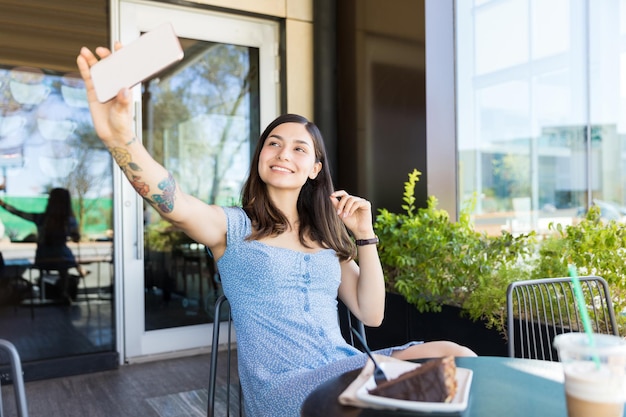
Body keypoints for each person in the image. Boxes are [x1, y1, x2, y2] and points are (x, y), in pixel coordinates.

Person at [77, 44, 476, 416]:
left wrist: (364, 236)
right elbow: (172, 202)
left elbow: (371, 314)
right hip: (284, 385)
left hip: (344, 363)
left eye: (300, 148)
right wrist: (120, 137)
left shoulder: (325, 237)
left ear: (315, 169)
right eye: (274, 143)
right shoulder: (231, 226)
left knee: (458, 353)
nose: (284, 153)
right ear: (261, 157)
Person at [0, 188, 82, 304]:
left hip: (42, 258)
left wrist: (3, 204)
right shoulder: (70, 221)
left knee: (60, 255)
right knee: (64, 259)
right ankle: (64, 292)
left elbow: (19, 212)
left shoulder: (42, 218)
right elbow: (76, 237)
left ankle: (49, 292)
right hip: (63, 259)